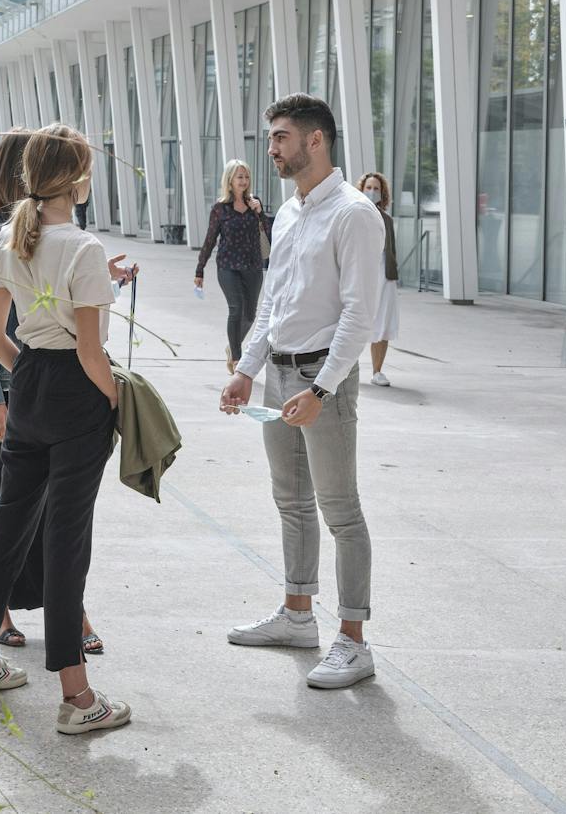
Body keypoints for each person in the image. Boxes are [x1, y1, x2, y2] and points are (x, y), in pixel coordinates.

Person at [0, 124, 131, 735]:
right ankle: (78, 698)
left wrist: (28, 375)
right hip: (75, 392)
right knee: (67, 540)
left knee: (8, 527)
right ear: (78, 180)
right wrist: (119, 402)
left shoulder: (7, 239)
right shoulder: (83, 248)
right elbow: (91, 352)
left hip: (27, 383)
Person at [220, 94, 384, 690]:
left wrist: (321, 388)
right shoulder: (288, 213)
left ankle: (354, 640)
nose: (272, 149)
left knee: (341, 511)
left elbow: (359, 316)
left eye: (281, 137)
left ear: (316, 141)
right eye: (271, 138)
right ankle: (296, 616)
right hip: (278, 376)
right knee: (290, 501)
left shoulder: (354, 213)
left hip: (324, 381)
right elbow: (271, 300)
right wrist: (246, 366)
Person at [194, 160, 272, 374]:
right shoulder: (220, 209)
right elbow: (210, 240)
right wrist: (199, 269)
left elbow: (269, 234)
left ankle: (232, 346)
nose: (244, 181)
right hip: (228, 266)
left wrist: (260, 212)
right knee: (236, 308)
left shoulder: (255, 205)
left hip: (253, 266)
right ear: (229, 180)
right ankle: (237, 358)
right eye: (239, 177)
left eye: (246, 177)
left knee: (249, 315)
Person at [356, 172, 399, 387]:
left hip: (384, 276)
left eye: (376, 189)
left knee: (383, 324)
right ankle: (345, 369)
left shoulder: (387, 219)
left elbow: (390, 251)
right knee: (354, 322)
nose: (372, 192)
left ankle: (377, 371)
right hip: (361, 275)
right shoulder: (354, 214)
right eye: (368, 187)